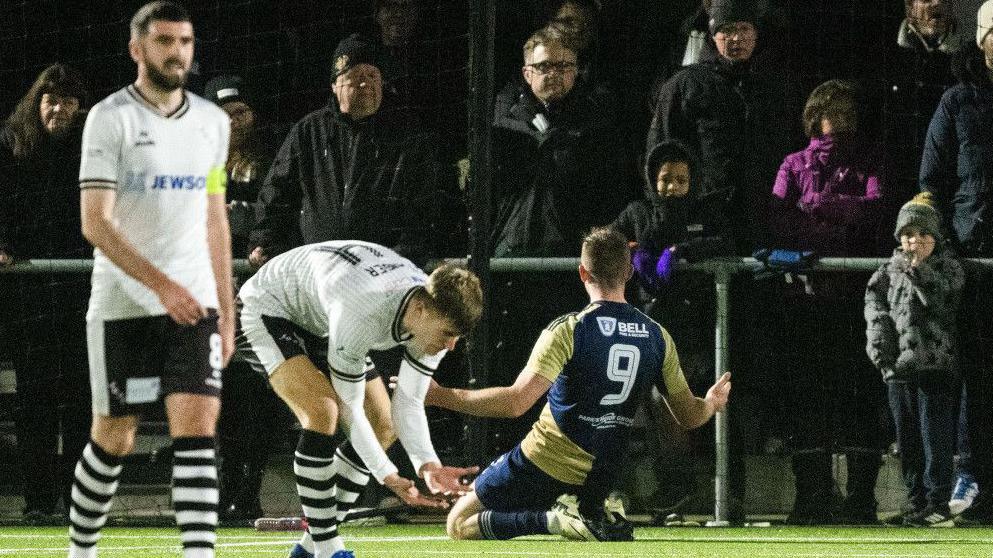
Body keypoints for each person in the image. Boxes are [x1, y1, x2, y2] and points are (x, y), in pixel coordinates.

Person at [429, 227, 731, 541]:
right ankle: (594, 508)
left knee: (459, 523)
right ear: (628, 273)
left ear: (582, 273)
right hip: (603, 472)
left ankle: (553, 519)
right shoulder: (657, 336)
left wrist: (439, 395)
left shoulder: (569, 329)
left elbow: (514, 402)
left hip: (545, 461)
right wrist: (710, 402)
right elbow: (690, 417)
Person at [66, 3, 235, 557]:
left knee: (197, 431)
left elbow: (216, 219)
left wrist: (225, 312)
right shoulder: (109, 118)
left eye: (185, 41)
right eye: (164, 41)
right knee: (114, 438)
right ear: (138, 49)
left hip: (196, 308)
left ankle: (198, 553)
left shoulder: (214, 123)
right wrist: (163, 286)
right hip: (125, 307)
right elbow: (96, 222)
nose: (177, 52)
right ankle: (82, 548)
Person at [236, 240, 482, 558]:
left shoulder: (430, 307)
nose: (450, 347)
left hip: (321, 315)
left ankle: (310, 548)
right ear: (420, 311)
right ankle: (327, 548)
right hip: (267, 307)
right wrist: (386, 474)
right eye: (447, 334)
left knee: (384, 425)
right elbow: (349, 410)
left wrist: (427, 465)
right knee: (324, 410)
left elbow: (408, 401)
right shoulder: (364, 311)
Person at [770, 79, 887, 525]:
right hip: (805, 298)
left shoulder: (868, 160)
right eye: (831, 114)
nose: (840, 124)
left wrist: (823, 205)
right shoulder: (792, 163)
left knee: (859, 396)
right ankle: (811, 496)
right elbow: (779, 217)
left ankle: (861, 498)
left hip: (858, 295)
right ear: (812, 117)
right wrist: (825, 224)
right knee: (807, 398)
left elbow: (875, 209)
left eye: (847, 115)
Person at [248, 33, 454, 268]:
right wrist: (265, 243)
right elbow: (277, 193)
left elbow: (423, 211)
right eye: (355, 77)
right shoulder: (308, 132)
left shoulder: (409, 136)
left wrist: (398, 262)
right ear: (335, 85)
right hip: (316, 272)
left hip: (383, 275)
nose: (366, 83)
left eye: (373, 75)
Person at [610, 140, 733, 516]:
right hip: (642, 324)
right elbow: (607, 240)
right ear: (652, 179)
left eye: (681, 180)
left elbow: (726, 239)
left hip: (688, 327)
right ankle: (637, 487)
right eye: (666, 179)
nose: (673, 187)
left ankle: (681, 485)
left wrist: (682, 253)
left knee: (674, 404)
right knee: (637, 406)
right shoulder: (636, 211)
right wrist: (634, 252)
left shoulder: (704, 210)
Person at [0, 63, 91, 523]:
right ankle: (37, 500)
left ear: (79, 106)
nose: (58, 108)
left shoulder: (94, 148)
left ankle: (80, 500)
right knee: (35, 400)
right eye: (51, 100)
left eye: (68, 101)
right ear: (37, 102)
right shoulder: (10, 145)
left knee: (81, 399)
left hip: (81, 289)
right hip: (29, 295)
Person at [918, 2, 993, 522]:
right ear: (984, 41)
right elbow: (933, 181)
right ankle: (975, 476)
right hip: (976, 260)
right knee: (978, 374)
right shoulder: (958, 102)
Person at [647, 0, 799, 255]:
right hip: (705, 224)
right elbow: (661, 152)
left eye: (744, 29)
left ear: (756, 33)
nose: (736, 38)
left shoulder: (772, 87)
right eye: (727, 30)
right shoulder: (686, 85)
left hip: (761, 223)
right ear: (713, 35)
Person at [202, 73, 278, 521]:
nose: (233, 121)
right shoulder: (196, 159)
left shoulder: (267, 161)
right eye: (224, 112)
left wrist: (246, 223)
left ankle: (247, 490)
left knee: (260, 397)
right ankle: (223, 489)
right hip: (207, 296)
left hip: (256, 298)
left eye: (241, 112)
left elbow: (275, 213)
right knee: (219, 399)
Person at [864, 192, 964, 527]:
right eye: (908, 234)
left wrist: (918, 272)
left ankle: (939, 501)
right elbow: (875, 306)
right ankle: (915, 500)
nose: (915, 241)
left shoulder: (949, 268)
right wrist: (880, 347)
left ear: (935, 238)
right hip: (900, 367)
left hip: (935, 364)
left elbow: (941, 302)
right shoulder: (888, 270)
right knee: (906, 438)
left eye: (923, 235)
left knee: (933, 435)